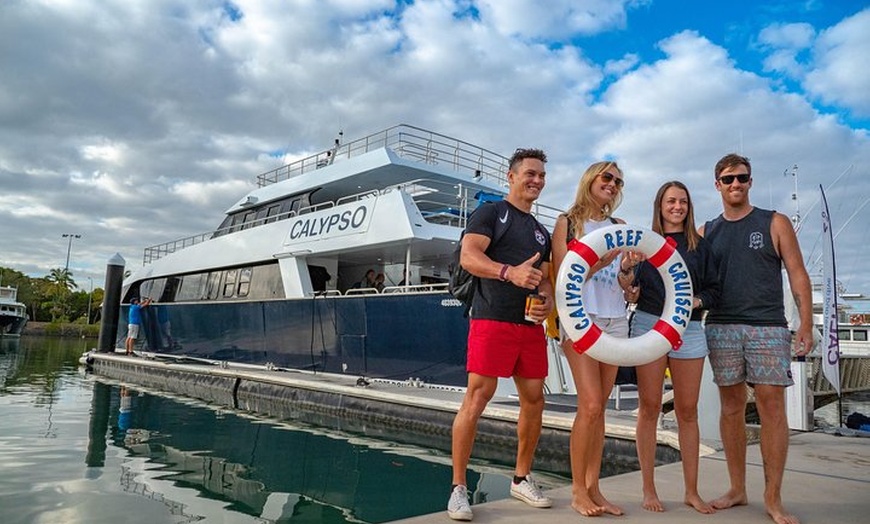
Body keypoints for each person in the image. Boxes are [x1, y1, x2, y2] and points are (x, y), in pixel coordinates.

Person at [699, 153, 813, 524]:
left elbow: (798, 274)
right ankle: (737, 488)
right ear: (717, 184)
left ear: (751, 182)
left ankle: (772, 497)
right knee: (731, 408)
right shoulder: (706, 231)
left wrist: (807, 324)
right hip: (721, 325)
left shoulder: (774, 222)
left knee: (772, 409)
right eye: (728, 179)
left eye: (742, 178)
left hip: (767, 326)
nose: (736, 185)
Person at [447, 148, 554, 521]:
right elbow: (469, 257)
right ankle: (459, 488)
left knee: (535, 399)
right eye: (530, 174)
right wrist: (509, 273)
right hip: (491, 317)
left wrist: (545, 305)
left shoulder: (542, 233)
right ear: (511, 176)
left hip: (527, 326)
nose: (537, 180)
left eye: (541, 175)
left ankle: (521, 478)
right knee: (478, 396)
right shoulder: (491, 213)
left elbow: (547, 283)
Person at [618, 181, 721, 514]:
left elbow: (714, 290)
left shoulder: (700, 247)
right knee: (649, 409)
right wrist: (627, 275)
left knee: (687, 411)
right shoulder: (644, 245)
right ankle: (649, 489)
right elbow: (632, 290)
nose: (677, 206)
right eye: (671, 201)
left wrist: (698, 300)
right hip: (650, 323)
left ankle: (692, 491)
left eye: (683, 202)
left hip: (688, 329)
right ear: (659, 205)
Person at [551, 161, 627, 517]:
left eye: (618, 181)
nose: (612, 184)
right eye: (606, 177)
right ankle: (578, 491)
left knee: (600, 414)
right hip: (582, 319)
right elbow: (567, 277)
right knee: (592, 405)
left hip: (614, 318)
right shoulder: (567, 223)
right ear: (590, 180)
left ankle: (595, 489)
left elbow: (625, 284)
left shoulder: (621, 227)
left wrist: (627, 269)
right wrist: (600, 260)